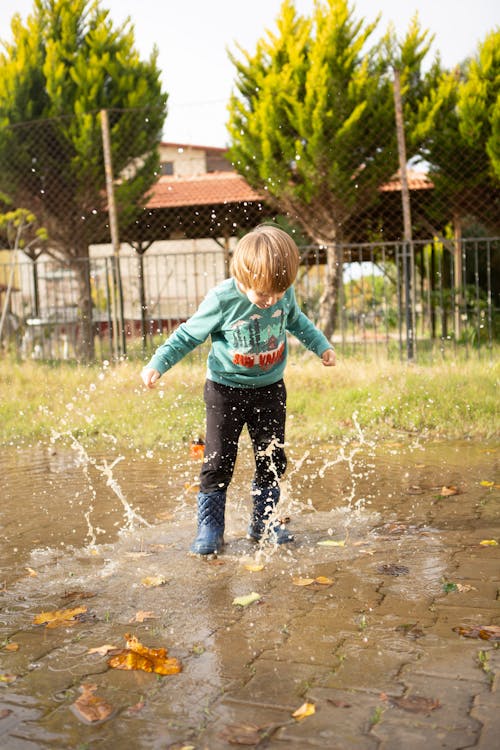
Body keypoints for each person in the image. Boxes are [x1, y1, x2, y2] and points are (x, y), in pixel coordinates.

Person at [141, 224, 336, 555]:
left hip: (270, 389)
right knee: (218, 461)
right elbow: (188, 335)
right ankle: (210, 527)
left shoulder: (281, 294)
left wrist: (321, 346)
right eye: (263, 294)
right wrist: (157, 364)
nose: (271, 301)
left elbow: (298, 322)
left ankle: (265, 522)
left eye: (278, 292)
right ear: (243, 278)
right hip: (224, 391)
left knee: (272, 458)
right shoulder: (222, 299)